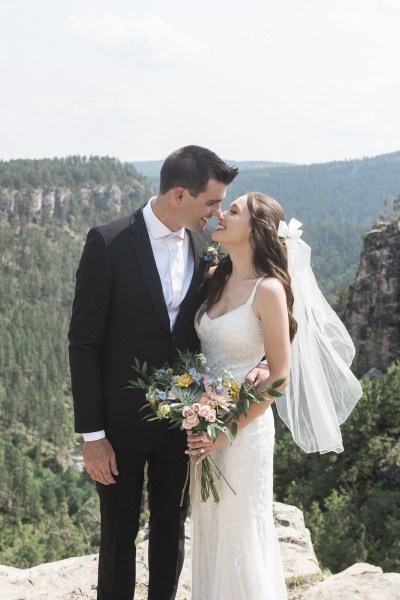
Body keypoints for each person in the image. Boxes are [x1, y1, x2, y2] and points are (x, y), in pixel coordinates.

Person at [68, 146, 270, 600]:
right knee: (117, 536)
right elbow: (83, 343)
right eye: (212, 202)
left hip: (184, 424)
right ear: (181, 194)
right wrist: (93, 435)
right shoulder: (108, 242)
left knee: (171, 529)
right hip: (117, 428)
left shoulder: (206, 247)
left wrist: (261, 361)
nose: (218, 214)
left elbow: (250, 306)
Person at [187, 192, 362, 599]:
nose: (221, 214)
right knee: (208, 525)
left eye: (233, 211)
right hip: (203, 423)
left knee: (240, 530)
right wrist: (196, 413)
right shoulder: (213, 277)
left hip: (242, 431)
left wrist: (225, 431)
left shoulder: (268, 290)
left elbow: (280, 376)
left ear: (256, 230)